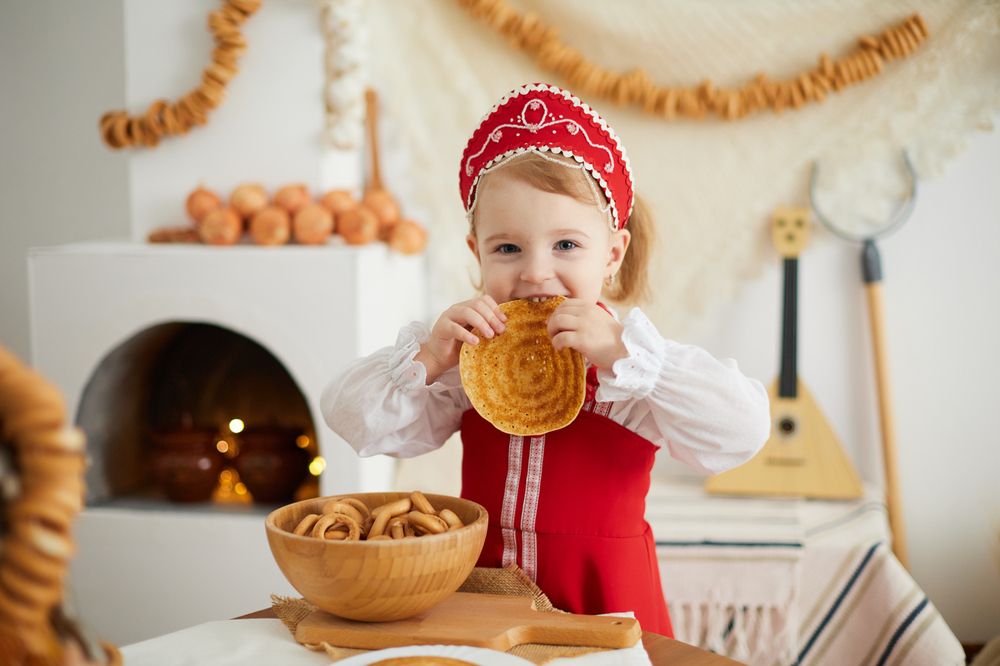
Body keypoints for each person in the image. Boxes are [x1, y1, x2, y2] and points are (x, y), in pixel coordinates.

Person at [321, 82, 770, 637]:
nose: (535, 272)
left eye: (566, 245)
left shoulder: (633, 375)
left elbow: (742, 432)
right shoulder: (471, 365)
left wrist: (632, 357)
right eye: (508, 248)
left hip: (605, 609)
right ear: (477, 253)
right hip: (482, 609)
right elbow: (350, 419)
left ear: (612, 254)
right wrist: (428, 358)